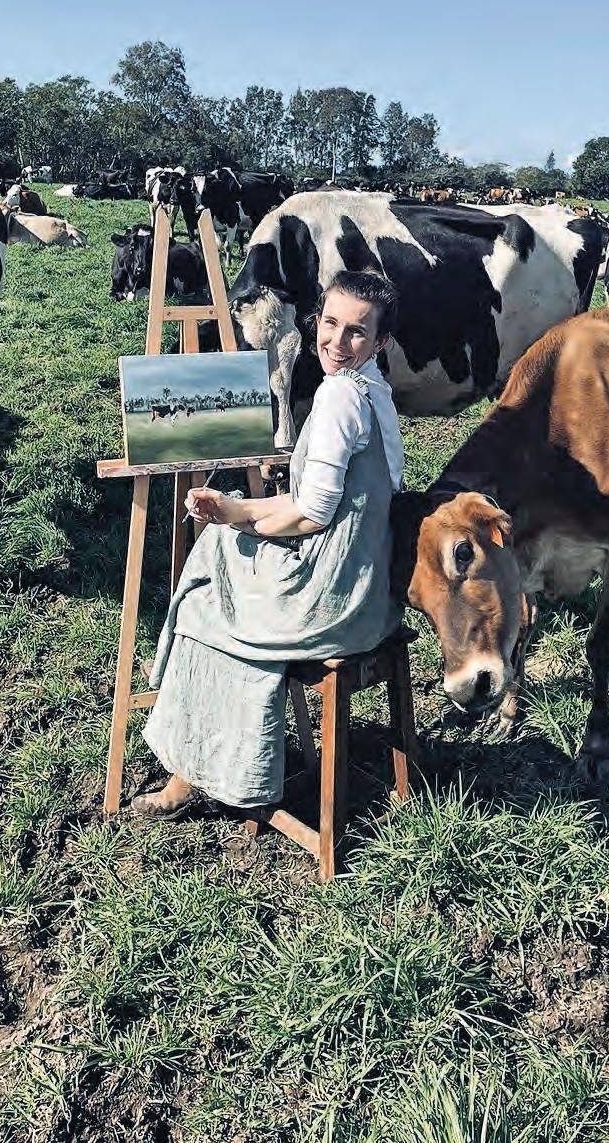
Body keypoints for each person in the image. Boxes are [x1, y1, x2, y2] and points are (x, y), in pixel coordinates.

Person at [132, 269, 405, 819]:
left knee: (206, 595)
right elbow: (320, 501)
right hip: (371, 590)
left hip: (331, 599)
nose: (337, 341)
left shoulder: (339, 397)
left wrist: (239, 521)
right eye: (330, 324)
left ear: (381, 341)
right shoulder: (375, 391)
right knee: (220, 551)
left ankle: (207, 767)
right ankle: (208, 743)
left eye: (357, 331)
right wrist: (236, 512)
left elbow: (311, 514)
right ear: (315, 322)